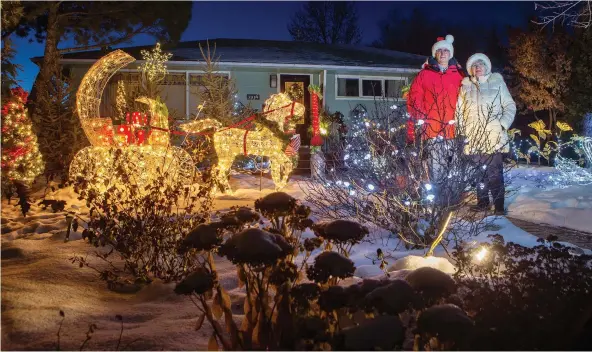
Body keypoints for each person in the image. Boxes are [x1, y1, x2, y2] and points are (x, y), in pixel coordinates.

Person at [406, 35, 466, 205]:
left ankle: (453, 201)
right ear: (435, 54)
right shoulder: (424, 75)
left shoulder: (460, 75)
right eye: (439, 50)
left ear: (451, 53)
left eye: (446, 50)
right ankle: (439, 203)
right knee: (436, 169)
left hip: (455, 130)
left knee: (454, 169)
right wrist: (420, 121)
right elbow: (414, 100)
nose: (442, 53)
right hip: (432, 130)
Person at [456, 53, 516, 215]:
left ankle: (498, 206)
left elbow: (510, 105)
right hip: (474, 136)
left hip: (493, 135)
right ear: (471, 69)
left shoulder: (497, 83)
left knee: (494, 173)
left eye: (481, 64)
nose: (478, 68)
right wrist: (463, 133)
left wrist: (502, 124)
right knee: (479, 173)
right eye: (475, 66)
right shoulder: (465, 87)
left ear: (487, 66)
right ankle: (482, 203)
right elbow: (460, 112)